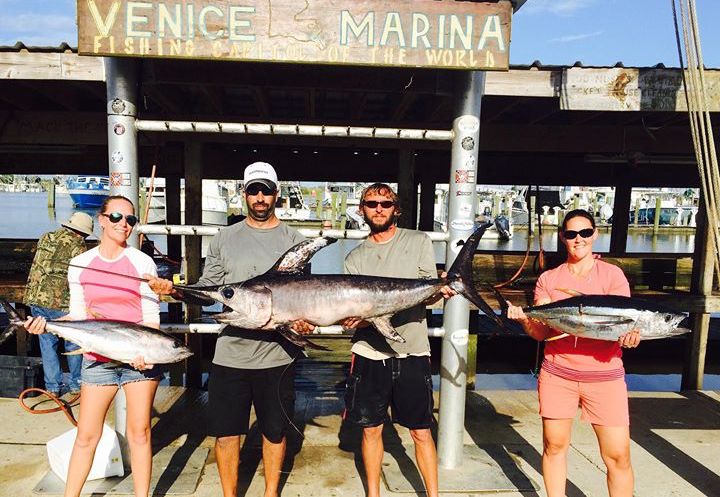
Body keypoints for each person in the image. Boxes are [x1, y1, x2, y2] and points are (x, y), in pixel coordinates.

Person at [147, 161, 312, 497]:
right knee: (226, 434)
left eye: (266, 190)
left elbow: (305, 295)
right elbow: (209, 290)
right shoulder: (224, 237)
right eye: (254, 190)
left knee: (275, 432)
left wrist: (305, 320)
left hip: (278, 357)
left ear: (276, 194)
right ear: (244, 194)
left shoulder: (296, 240)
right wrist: (177, 291)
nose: (260, 197)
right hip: (231, 356)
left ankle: (270, 493)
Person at [25, 195, 162, 497]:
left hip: (137, 361)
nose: (123, 224)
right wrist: (45, 324)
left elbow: (152, 320)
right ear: (101, 220)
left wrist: (147, 354)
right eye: (116, 217)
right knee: (87, 435)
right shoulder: (80, 263)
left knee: (140, 433)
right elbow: (78, 315)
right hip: (97, 360)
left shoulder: (142, 262)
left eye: (130, 220)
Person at [506, 209, 641, 497]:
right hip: (558, 375)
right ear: (562, 238)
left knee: (618, 455)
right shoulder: (548, 280)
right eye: (571, 234)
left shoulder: (613, 275)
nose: (578, 239)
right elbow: (542, 333)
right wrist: (524, 320)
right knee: (554, 446)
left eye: (585, 233)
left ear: (596, 234)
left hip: (605, 377)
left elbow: (624, 323)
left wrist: (631, 338)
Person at [340, 183, 453, 497]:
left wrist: (437, 290)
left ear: (397, 209)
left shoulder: (418, 241)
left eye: (385, 203)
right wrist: (356, 319)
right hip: (369, 352)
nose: (379, 209)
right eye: (371, 203)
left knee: (420, 430)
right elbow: (355, 313)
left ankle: (433, 494)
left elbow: (426, 295)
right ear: (361, 210)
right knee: (371, 430)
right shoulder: (355, 258)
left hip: (412, 350)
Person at [24, 212, 94, 396]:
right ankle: (76, 383)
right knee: (73, 343)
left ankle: (53, 388)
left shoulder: (46, 236)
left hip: (36, 296)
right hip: (60, 301)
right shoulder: (78, 244)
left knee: (47, 343)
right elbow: (82, 274)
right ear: (83, 233)